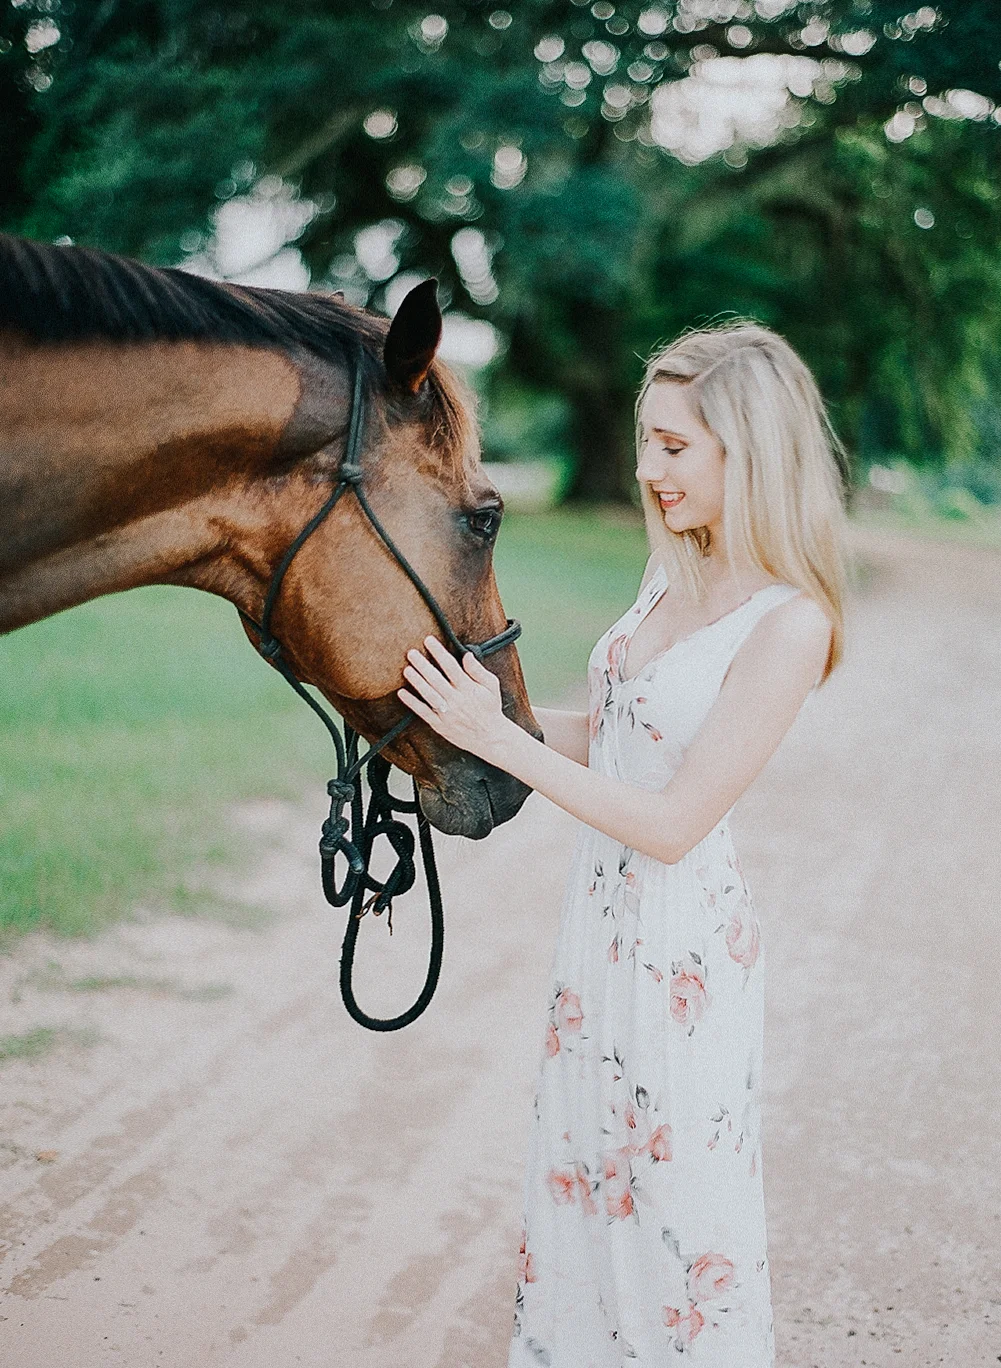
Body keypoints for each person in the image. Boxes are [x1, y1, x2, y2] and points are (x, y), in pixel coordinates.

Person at [397, 321, 851, 1367]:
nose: (647, 469)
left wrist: (498, 742)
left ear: (751, 449)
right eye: (647, 440)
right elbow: (613, 736)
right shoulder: (669, 573)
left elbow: (673, 822)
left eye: (674, 447)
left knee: (673, 1219)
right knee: (585, 1180)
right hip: (599, 933)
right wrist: (464, 721)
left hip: (680, 947)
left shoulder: (789, 625)